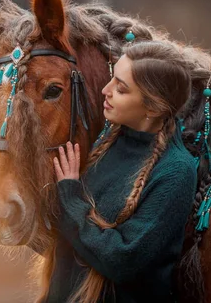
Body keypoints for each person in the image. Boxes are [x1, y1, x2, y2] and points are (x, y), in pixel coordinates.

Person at [49, 40, 197, 303]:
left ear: (153, 108)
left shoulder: (176, 172)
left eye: (121, 88)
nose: (105, 90)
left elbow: (121, 259)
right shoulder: (103, 143)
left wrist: (71, 198)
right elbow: (60, 231)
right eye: (111, 79)